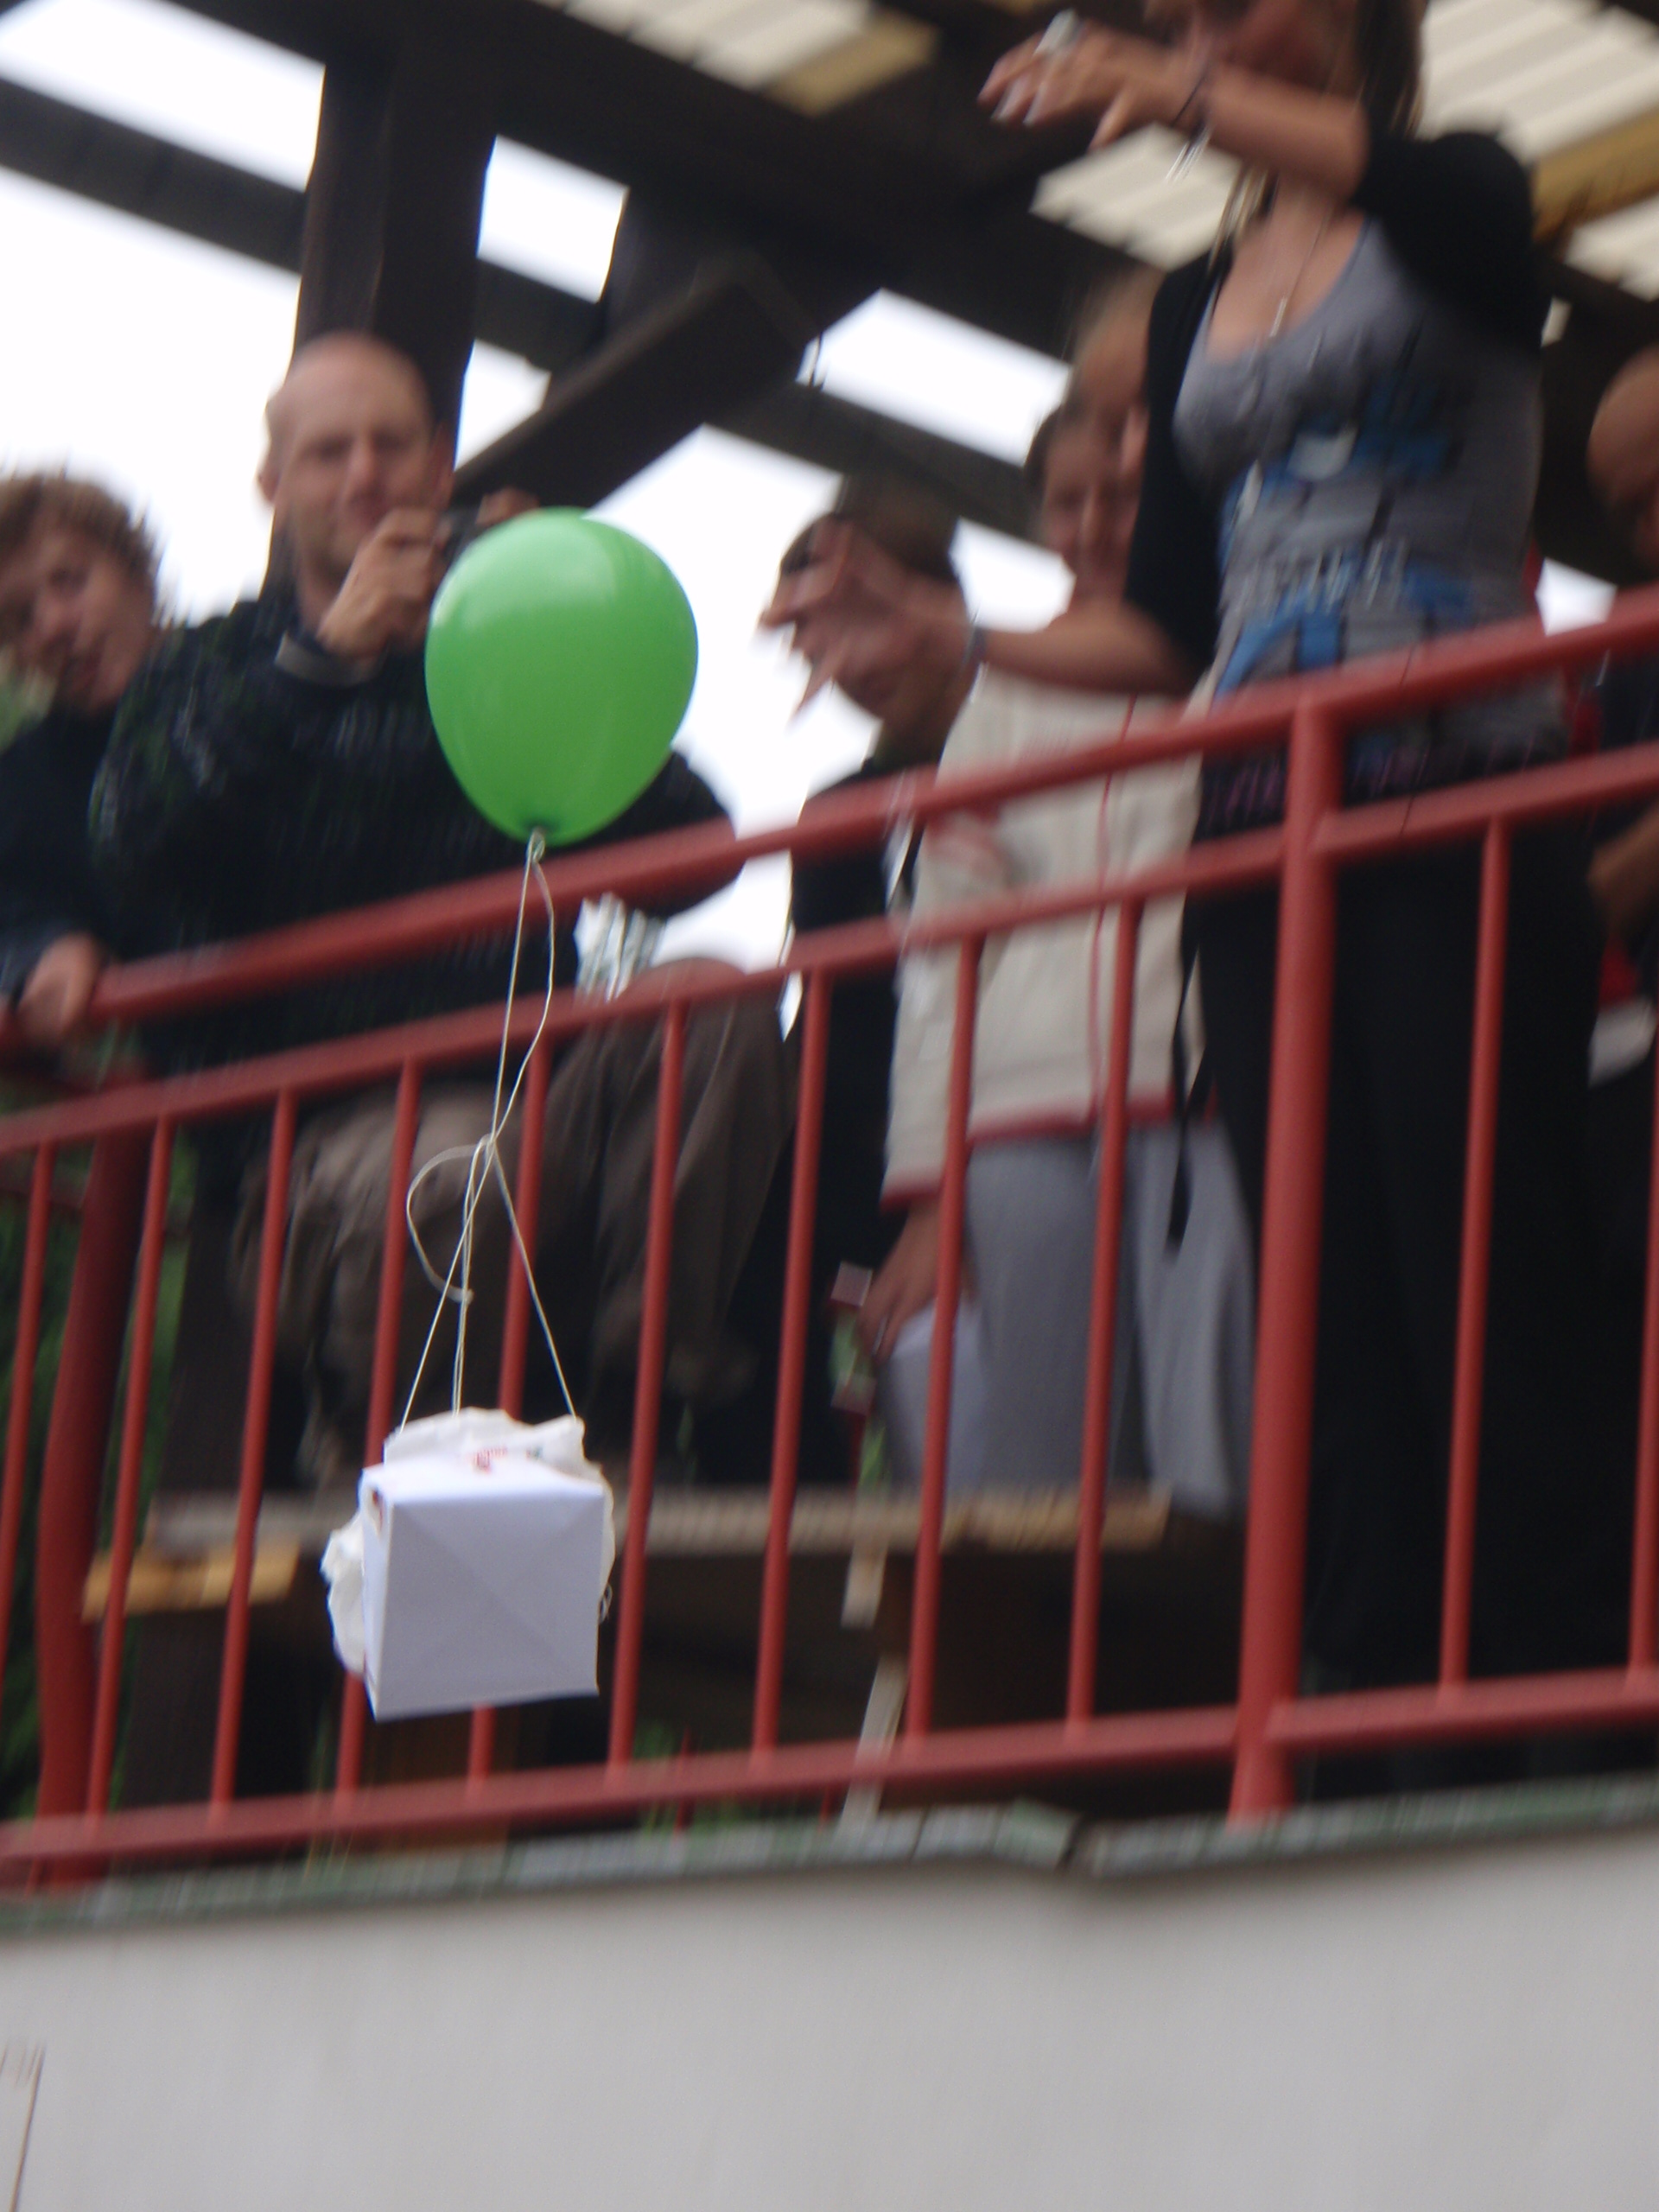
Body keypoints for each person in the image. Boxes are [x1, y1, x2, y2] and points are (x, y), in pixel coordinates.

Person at [768, 0, 1617, 1691]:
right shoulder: (1184, 307)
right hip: (1257, 825)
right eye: (1185, 14)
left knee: (1477, 1256)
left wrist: (1174, 91)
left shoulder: (1460, 186)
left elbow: (1460, 221)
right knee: (1324, 1290)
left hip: (1457, 790)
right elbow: (1165, 628)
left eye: (1238, 5)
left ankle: (1546, 1693)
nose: (1207, 29)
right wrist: (954, 639)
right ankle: (1362, 1694)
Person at [91, 333, 787, 1487]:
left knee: (717, 1001)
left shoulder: (505, 643)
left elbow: (696, 860)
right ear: (273, 485)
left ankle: (633, 1406)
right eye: (329, 452)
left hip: (537, 1100)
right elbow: (135, 842)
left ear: (439, 466)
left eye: (392, 444)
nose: (365, 472)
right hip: (331, 1148)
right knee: (452, 1154)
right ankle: (396, 1466)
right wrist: (326, 659)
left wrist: (553, 633)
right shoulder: (215, 660)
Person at [868, 296, 1254, 1516]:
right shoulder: (1001, 694)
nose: (1091, 529)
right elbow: (942, 957)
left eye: (1123, 498)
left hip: (1200, 1092)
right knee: (1045, 1487)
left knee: (1209, 1464)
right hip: (1015, 1120)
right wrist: (928, 1196)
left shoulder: (1242, 647)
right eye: (1066, 502)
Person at [0, 474, 160, 1048]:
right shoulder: (26, 784)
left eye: (70, 582)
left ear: (138, 575)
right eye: (21, 617)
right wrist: (45, 947)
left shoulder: (248, 677)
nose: (52, 626)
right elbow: (14, 905)